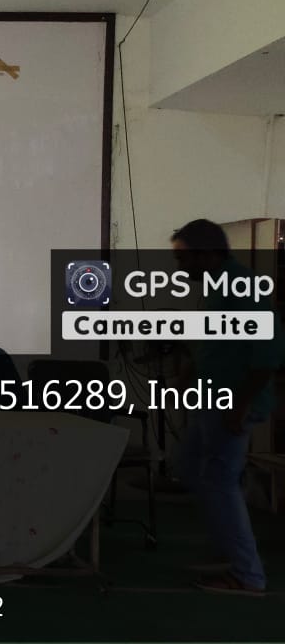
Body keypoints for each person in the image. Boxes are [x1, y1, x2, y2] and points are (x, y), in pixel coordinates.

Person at [170, 219, 282, 597]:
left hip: (232, 405)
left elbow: (268, 354)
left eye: (183, 258)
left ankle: (248, 575)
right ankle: (231, 550)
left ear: (208, 254)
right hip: (215, 401)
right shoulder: (218, 287)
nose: (179, 266)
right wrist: (189, 372)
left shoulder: (241, 286)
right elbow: (216, 342)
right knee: (190, 468)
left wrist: (240, 405)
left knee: (219, 481)